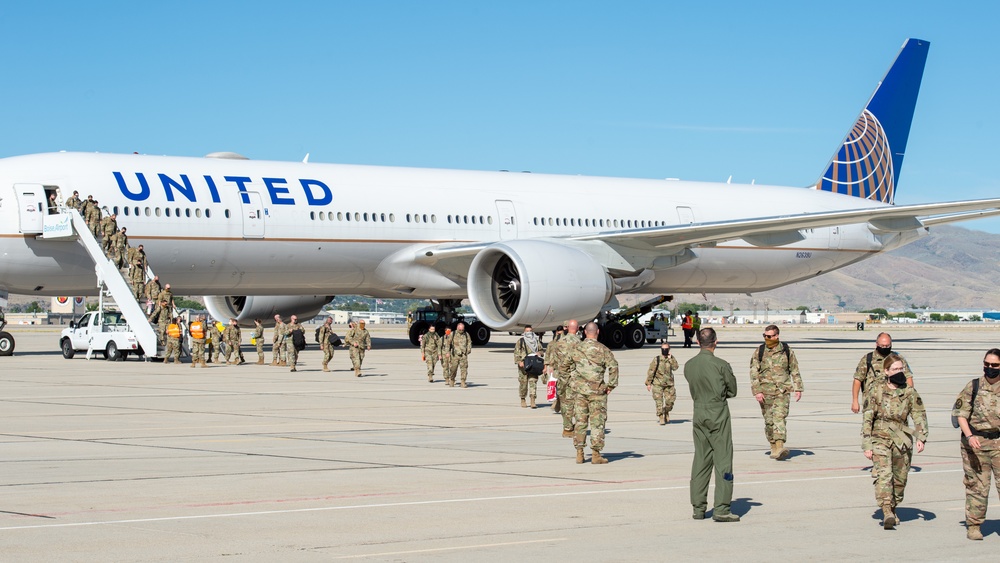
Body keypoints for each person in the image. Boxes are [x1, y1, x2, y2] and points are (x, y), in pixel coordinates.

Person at [863, 353, 927, 530]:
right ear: (886, 371)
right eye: (895, 369)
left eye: (901, 369)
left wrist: (921, 436)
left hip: (902, 437)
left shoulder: (909, 392)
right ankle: (887, 511)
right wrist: (867, 444)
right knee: (885, 475)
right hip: (880, 436)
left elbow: (919, 414)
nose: (899, 372)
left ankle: (893, 506)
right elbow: (868, 417)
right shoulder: (875, 389)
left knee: (900, 479)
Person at [684, 327, 740, 522]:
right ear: (715, 342)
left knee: (701, 459)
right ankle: (722, 508)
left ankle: (698, 508)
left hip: (699, 410)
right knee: (723, 459)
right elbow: (732, 391)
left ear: (698, 342)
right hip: (717, 412)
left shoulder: (689, 365)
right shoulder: (721, 365)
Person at [953, 348, 1000, 541]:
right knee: (978, 486)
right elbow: (961, 414)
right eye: (986, 364)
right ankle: (974, 525)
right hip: (975, 443)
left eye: (994, 365)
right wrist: (970, 435)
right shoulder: (973, 386)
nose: (989, 368)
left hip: (998, 442)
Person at [750, 325, 804, 460]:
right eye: (765, 336)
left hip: (782, 391)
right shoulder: (759, 351)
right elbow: (753, 372)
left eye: (769, 336)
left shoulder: (786, 351)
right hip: (765, 392)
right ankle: (773, 445)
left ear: (776, 336)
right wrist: (757, 391)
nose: (767, 339)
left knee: (779, 417)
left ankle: (780, 446)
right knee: (769, 421)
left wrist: (798, 388)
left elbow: (794, 369)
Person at [568, 322, 618, 464]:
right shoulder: (603, 350)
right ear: (597, 332)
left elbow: (566, 366)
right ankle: (595, 454)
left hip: (580, 392)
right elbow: (613, 367)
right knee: (597, 423)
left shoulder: (576, 349)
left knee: (580, 422)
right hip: (597, 392)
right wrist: (611, 385)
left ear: (584, 332)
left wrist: (574, 382)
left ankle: (579, 453)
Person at [852, 333, 914, 414]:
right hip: (873, 404)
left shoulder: (898, 358)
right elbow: (857, 380)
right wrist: (855, 401)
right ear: (876, 344)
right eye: (882, 346)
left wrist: (909, 399)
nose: (885, 348)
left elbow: (908, 378)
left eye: (887, 346)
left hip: (895, 403)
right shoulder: (868, 359)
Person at [547, 320, 582, 438]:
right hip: (575, 377)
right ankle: (578, 427)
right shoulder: (580, 343)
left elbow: (554, 361)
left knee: (564, 402)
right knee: (577, 403)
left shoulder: (559, 342)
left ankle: (567, 428)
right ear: (577, 328)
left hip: (562, 377)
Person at [646, 342, 679, 425]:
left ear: (669, 349)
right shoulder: (657, 359)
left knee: (670, 402)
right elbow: (651, 371)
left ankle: (666, 411)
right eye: (663, 349)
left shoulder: (671, 359)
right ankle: (661, 416)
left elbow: (675, 368)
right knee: (659, 402)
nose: (664, 350)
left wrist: (671, 359)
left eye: (666, 349)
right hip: (658, 384)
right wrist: (648, 383)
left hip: (669, 384)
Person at [514, 325, 544, 408]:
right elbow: (516, 353)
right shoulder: (521, 341)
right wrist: (519, 361)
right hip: (524, 365)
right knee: (523, 383)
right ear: (524, 332)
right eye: (527, 331)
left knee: (533, 382)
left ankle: (532, 400)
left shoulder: (536, 341)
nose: (529, 333)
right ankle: (523, 398)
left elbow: (541, 350)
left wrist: (540, 353)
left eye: (530, 331)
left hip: (533, 364)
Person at [444, 322, 472, 387]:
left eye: (462, 330)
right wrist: (447, 352)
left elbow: (469, 342)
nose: (461, 331)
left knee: (464, 369)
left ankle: (463, 382)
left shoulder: (466, 334)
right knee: (453, 369)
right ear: (457, 328)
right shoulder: (452, 334)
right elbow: (448, 344)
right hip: (455, 355)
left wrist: (468, 350)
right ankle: (452, 379)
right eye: (460, 330)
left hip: (463, 355)